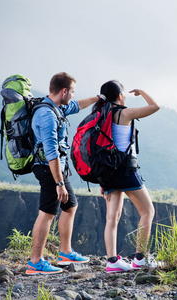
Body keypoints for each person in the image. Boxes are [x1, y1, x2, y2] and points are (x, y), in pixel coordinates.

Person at [26, 72, 99, 275]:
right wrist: (59, 183)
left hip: (56, 168)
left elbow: (77, 105)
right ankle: (35, 263)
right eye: (72, 92)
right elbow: (51, 151)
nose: (74, 96)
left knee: (70, 205)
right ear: (64, 91)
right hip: (48, 168)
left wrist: (98, 98)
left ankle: (65, 253)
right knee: (48, 213)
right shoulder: (47, 114)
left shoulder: (57, 107)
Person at [93, 80, 160, 273]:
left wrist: (102, 179)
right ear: (120, 96)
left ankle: (112, 261)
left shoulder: (100, 115)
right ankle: (140, 258)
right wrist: (142, 91)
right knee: (148, 211)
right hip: (126, 171)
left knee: (111, 218)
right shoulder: (124, 112)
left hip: (107, 172)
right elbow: (155, 107)